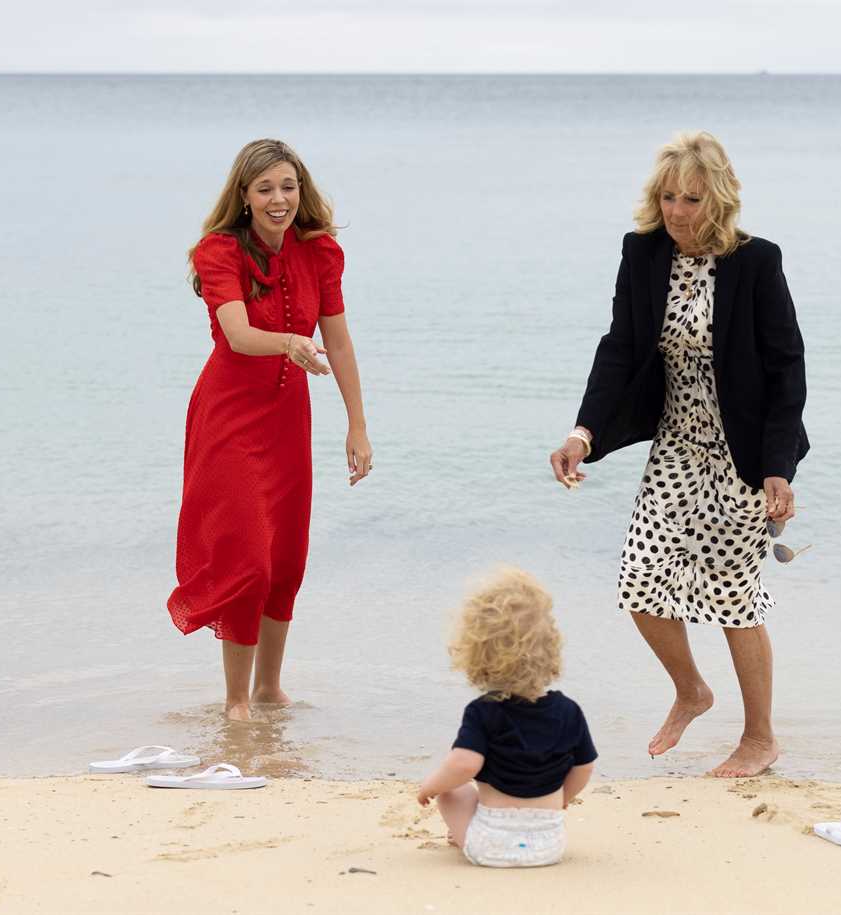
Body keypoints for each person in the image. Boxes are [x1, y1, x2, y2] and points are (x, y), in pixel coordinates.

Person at [548, 131, 808, 777]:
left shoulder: (756, 262)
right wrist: (584, 432)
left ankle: (759, 738)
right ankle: (691, 690)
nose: (677, 210)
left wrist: (778, 465)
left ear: (716, 199)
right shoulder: (642, 255)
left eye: (691, 198)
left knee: (732, 595)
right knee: (640, 579)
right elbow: (619, 348)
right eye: (668, 196)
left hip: (740, 454)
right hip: (675, 447)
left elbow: (786, 368)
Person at [167, 139, 372, 721]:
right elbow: (235, 334)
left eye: (288, 186)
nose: (279, 199)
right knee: (247, 558)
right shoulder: (218, 252)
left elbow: (337, 339)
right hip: (229, 418)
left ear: (300, 191)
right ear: (245, 196)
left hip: (288, 420)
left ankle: (269, 690)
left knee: (285, 557)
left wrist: (357, 424)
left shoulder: (321, 253)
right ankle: (235, 702)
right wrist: (288, 343)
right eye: (265, 189)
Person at [417, 568, 597, 868]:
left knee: (452, 792)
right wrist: (563, 796)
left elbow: (464, 764)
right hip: (548, 845)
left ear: (476, 652)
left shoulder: (483, 711)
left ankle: (461, 832)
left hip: (489, 845)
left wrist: (430, 787)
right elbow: (585, 766)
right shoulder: (569, 711)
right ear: (551, 648)